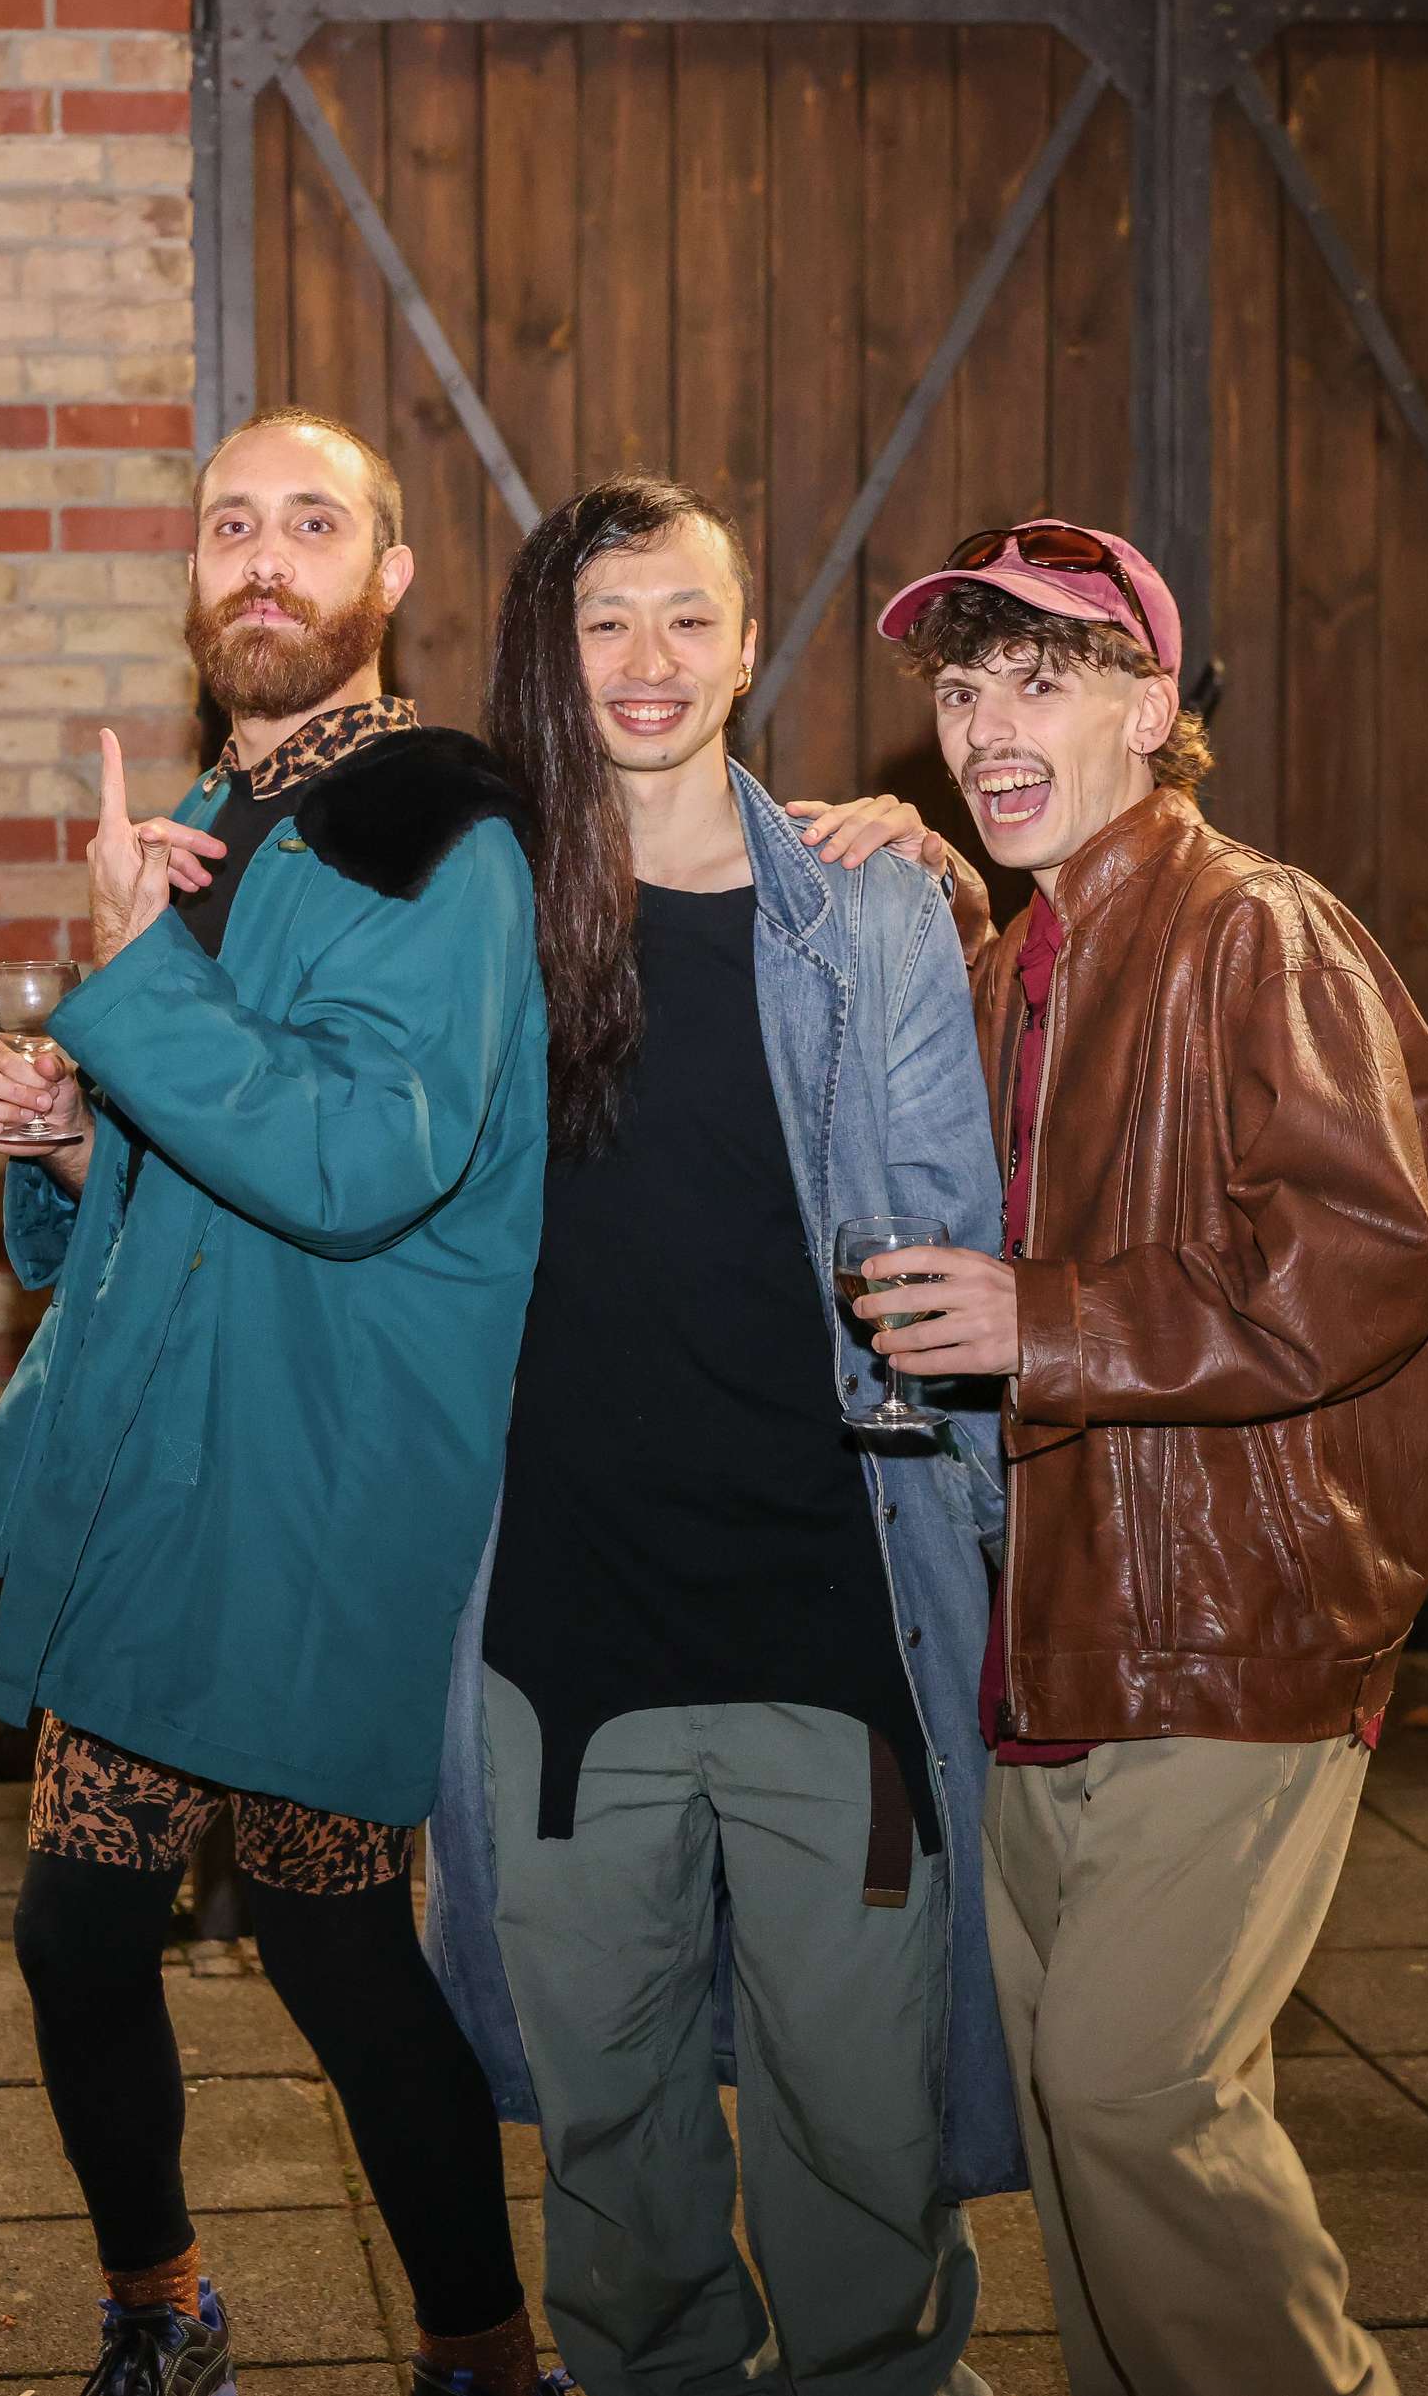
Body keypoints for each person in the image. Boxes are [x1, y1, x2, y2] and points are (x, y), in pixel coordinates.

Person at [0, 408, 563, 2396]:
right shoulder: (217, 822)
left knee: (335, 1947)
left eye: (314, 523)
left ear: (391, 577)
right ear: (195, 573)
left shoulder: (438, 832)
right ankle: (160, 2302)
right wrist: (68, 1140)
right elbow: (192, 1157)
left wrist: (129, 982)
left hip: (321, 1472)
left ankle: (482, 2348)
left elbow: (363, 1160)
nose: (265, 557)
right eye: (231, 525)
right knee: (72, 1934)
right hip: (161, 1455)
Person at [856, 522, 1428, 2396]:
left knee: (1135, 2091)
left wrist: (1045, 1318)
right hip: (1055, 1635)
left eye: (1042, 679)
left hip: (1235, 1627)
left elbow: (1363, 1264)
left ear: (1148, 708)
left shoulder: (1253, 928)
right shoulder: (1028, 956)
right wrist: (936, 915)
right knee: (1086, 2117)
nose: (989, 727)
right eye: (965, 689)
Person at [419, 475, 1015, 2396]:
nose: (649, 660)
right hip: (557, 1638)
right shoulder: (477, 918)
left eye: (688, 617)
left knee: (865, 2148)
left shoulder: (869, 914)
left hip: (824, 1625)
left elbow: (953, 1251)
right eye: (605, 620)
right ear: (551, 650)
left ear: (751, 646)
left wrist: (1008, 1571)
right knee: (616, 2174)